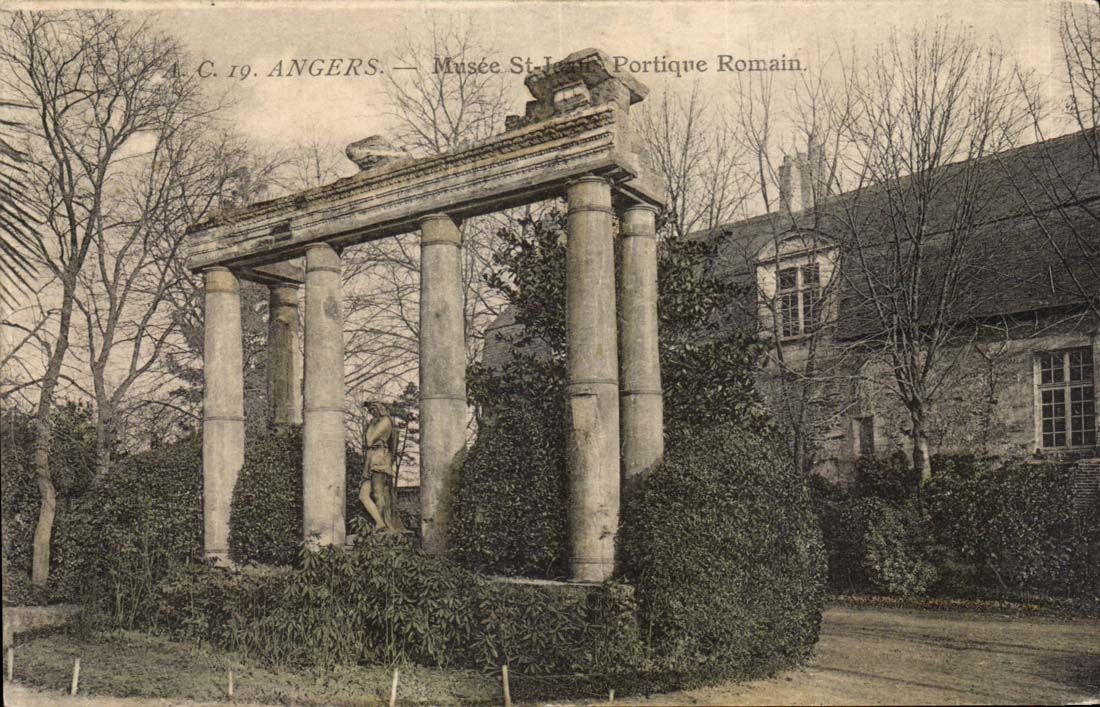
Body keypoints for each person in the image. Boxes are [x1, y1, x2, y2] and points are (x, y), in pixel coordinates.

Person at [360, 401, 404, 532]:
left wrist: (371, 428)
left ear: (380, 408)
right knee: (363, 495)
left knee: (378, 494)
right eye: (370, 410)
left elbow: (369, 439)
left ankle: (382, 525)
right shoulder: (375, 422)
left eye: (374, 409)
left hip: (380, 459)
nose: (372, 412)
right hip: (370, 459)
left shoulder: (385, 421)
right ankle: (379, 522)